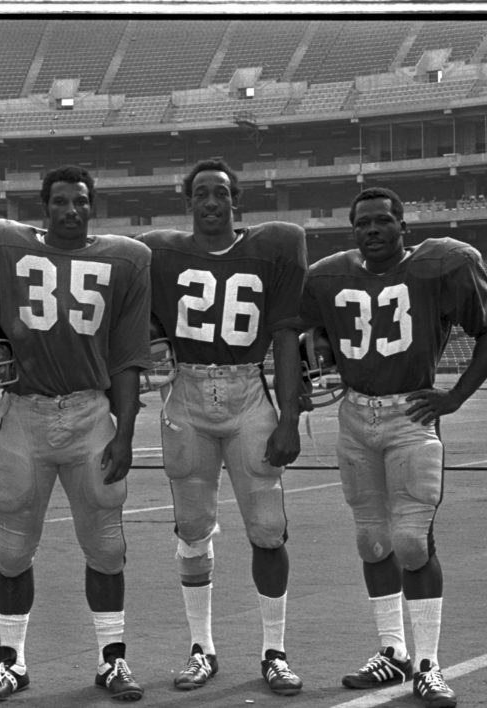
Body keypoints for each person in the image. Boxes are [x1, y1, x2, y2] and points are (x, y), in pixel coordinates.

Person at [0, 165, 152, 703]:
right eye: (60, 201)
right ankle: (12, 663)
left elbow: (127, 355)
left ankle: (112, 661)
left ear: (92, 206)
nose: (71, 210)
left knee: (106, 546)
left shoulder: (124, 260)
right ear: (44, 207)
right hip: (24, 413)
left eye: (80, 201)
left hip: (89, 411)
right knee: (13, 551)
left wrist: (125, 433)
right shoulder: (3, 247)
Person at [297, 186, 487, 708]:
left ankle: (427, 665)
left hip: (409, 416)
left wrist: (455, 397)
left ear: (402, 227)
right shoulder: (330, 275)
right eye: (363, 223)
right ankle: (392, 651)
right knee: (372, 541)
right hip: (354, 414)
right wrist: (315, 359)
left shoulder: (439, 266)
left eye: (382, 222)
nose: (372, 230)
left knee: (413, 543)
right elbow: (309, 336)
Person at [137, 159, 308, 696]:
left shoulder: (273, 247)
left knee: (267, 526)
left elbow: (284, 337)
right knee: (192, 525)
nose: (212, 202)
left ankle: (274, 651)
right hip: (186, 392)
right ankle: (202, 647)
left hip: (248, 390)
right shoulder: (158, 253)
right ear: (189, 202)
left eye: (222, 193)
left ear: (237, 202)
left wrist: (290, 416)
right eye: (202, 193)